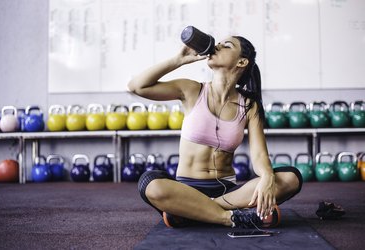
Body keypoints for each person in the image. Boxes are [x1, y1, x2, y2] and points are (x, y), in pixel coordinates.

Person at [128, 34, 302, 229]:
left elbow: (260, 155)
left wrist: (267, 178)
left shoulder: (249, 106)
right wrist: (179, 60)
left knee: (291, 178)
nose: (217, 46)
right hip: (186, 188)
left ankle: (191, 212)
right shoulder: (192, 90)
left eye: (226, 45)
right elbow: (136, 86)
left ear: (242, 61)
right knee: (151, 184)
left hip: (228, 193)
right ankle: (229, 218)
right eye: (218, 43)